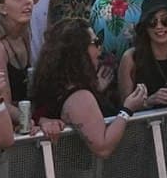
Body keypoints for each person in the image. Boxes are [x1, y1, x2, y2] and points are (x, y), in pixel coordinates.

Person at [29, 19, 147, 158]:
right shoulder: (79, 96)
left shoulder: (58, 84)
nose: (100, 49)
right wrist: (127, 109)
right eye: (96, 43)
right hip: (82, 173)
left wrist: (96, 90)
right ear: (79, 50)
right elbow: (102, 147)